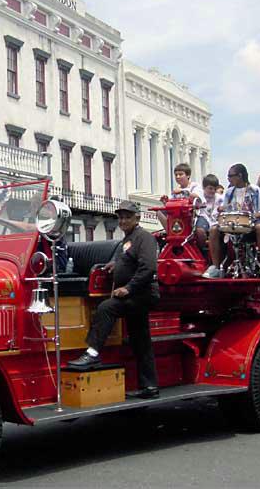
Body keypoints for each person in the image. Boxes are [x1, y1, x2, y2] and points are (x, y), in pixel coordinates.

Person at [67, 201, 160, 399]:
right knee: (140, 340)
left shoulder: (145, 238)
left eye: (127, 217)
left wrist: (128, 288)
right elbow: (126, 259)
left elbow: (148, 268)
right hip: (135, 294)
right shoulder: (128, 239)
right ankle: (150, 386)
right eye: (121, 217)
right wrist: (113, 264)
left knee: (106, 308)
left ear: (138, 218)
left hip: (142, 294)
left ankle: (92, 354)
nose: (123, 220)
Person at [204, 163, 260, 279]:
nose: (228, 179)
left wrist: (248, 217)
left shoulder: (254, 190)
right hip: (232, 224)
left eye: (230, 176)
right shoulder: (229, 192)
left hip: (251, 223)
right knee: (214, 229)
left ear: (240, 176)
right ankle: (215, 267)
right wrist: (222, 210)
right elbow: (225, 209)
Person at [157, 163, 202, 230]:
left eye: (180, 174)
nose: (177, 177)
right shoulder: (175, 190)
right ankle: (169, 231)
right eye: (176, 175)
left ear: (188, 175)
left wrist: (183, 191)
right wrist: (165, 202)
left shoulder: (195, 186)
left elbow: (196, 198)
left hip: (192, 215)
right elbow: (170, 205)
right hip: (177, 216)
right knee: (159, 212)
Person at [194, 174, 223, 255]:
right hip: (204, 218)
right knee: (200, 231)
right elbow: (191, 196)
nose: (213, 191)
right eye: (210, 188)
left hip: (216, 221)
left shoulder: (220, 198)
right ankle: (203, 252)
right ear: (204, 187)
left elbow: (227, 203)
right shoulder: (199, 196)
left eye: (215, 188)